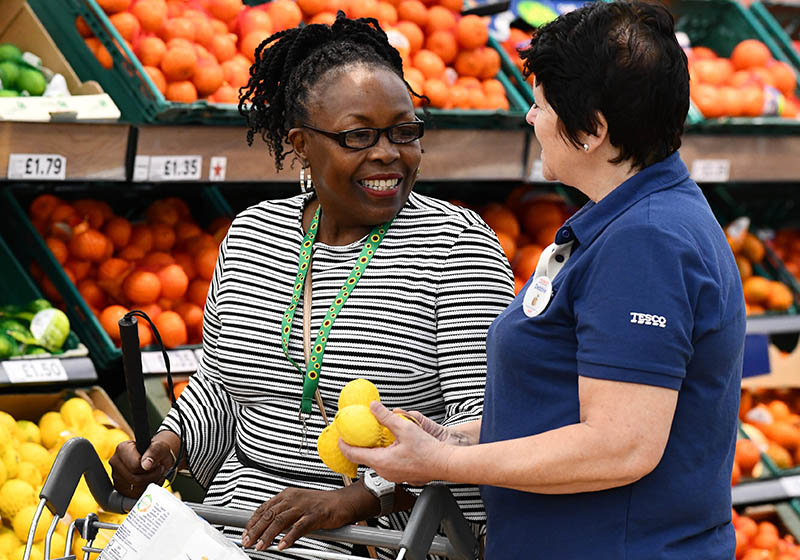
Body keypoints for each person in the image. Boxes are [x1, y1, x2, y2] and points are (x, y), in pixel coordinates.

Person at [343, 2, 746, 558]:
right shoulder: (630, 220)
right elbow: (568, 404)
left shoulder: (646, 244)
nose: (530, 119)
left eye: (540, 105)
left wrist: (443, 463)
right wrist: (450, 436)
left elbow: (619, 446)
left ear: (593, 131)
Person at [108, 13, 515, 560]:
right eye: (358, 136)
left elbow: (482, 426)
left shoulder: (456, 247)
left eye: (405, 131)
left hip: (385, 538)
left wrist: (353, 499)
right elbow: (224, 391)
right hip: (233, 528)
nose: (388, 153)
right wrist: (167, 447)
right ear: (301, 144)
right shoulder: (253, 233)